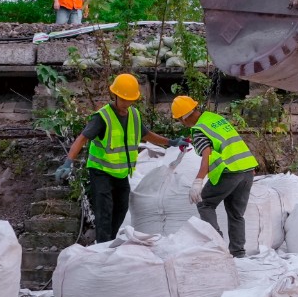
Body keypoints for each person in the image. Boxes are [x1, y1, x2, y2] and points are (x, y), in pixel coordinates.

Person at [61, 73, 169, 243]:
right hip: (101, 171)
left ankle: (110, 243)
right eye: (124, 99)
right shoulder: (102, 117)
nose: (127, 103)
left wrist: (170, 142)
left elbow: (147, 135)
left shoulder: (134, 115)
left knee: (121, 209)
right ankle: (103, 248)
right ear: (116, 95)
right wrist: (68, 162)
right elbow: (82, 138)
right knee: (104, 212)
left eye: (131, 100)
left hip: (120, 173)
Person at [171, 95, 258, 258]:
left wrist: (198, 181)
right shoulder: (214, 118)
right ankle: (238, 253)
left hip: (229, 172)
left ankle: (217, 245)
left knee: (205, 204)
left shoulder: (199, 130)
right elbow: (226, 141)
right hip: (247, 169)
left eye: (180, 120)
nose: (182, 124)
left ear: (184, 117)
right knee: (236, 214)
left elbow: (207, 157)